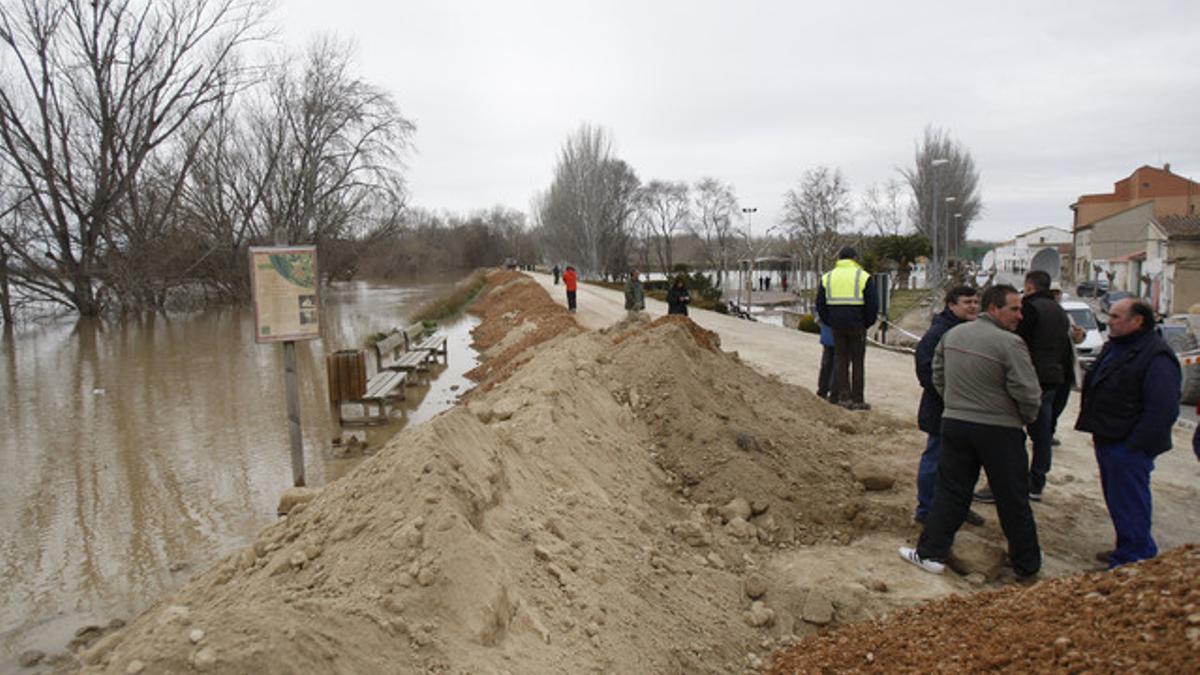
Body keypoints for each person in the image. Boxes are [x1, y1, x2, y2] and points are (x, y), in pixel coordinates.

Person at [899, 284, 1043, 578]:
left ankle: (931, 554)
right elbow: (1028, 392)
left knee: (950, 491)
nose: (1020, 315)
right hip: (1000, 430)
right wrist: (1023, 418)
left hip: (955, 424)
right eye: (1014, 309)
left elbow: (937, 375)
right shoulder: (1010, 344)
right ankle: (1027, 565)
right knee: (1012, 496)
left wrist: (954, 402)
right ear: (995, 309)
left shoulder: (953, 335)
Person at [1075, 298, 1180, 568]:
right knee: (1118, 500)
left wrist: (1136, 444)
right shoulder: (1117, 347)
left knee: (1130, 502)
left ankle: (1135, 559)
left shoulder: (1156, 356)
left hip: (1129, 444)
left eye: (1116, 316)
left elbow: (1163, 408)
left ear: (1137, 321)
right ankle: (1126, 548)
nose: (1109, 321)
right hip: (1109, 437)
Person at [975, 270, 1071, 504]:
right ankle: (1036, 483)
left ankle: (1002, 485)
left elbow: (1015, 345)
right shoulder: (1059, 310)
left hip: (1027, 379)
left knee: (1009, 436)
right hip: (1052, 379)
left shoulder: (1029, 310)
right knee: (1042, 437)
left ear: (1028, 286)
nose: (1018, 314)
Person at [914, 285, 985, 527]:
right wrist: (948, 395)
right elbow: (925, 369)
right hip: (942, 409)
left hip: (969, 410)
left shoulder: (975, 331)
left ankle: (958, 508)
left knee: (964, 465)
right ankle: (926, 510)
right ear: (951, 305)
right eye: (967, 302)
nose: (973, 306)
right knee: (935, 461)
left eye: (976, 302)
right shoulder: (938, 333)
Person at [815, 247, 879, 410]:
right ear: (855, 258)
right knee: (858, 361)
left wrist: (829, 321)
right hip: (857, 324)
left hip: (836, 325)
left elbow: (820, 304)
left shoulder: (827, 277)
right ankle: (857, 399)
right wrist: (867, 323)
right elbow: (872, 304)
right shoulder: (863, 276)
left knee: (840, 360)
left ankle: (843, 398)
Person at [816, 317, 837, 404]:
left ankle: (823, 390)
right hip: (841, 331)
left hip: (828, 330)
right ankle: (835, 394)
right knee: (839, 364)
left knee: (827, 362)